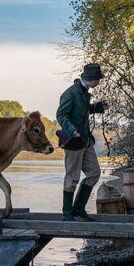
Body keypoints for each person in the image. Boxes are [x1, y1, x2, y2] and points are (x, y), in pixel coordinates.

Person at [56, 63, 107, 222]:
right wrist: (71, 130)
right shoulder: (71, 93)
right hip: (73, 141)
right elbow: (61, 115)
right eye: (98, 79)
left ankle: (78, 209)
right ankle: (67, 213)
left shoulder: (84, 93)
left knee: (94, 173)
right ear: (91, 79)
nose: (99, 82)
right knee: (72, 177)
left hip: (85, 141)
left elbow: (82, 110)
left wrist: (97, 107)